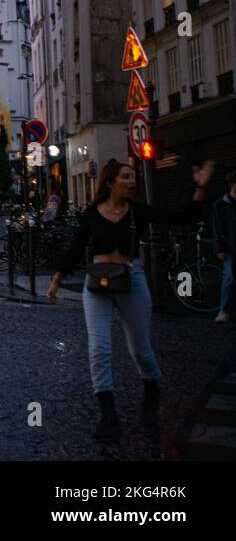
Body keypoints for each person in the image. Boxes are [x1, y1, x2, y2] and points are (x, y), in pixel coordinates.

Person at [47, 158, 215, 439]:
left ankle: (151, 391)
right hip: (98, 282)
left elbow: (183, 218)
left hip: (132, 279)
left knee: (140, 350)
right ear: (111, 181)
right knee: (99, 348)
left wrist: (200, 189)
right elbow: (77, 247)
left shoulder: (139, 212)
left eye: (133, 176)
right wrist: (57, 278)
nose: (132, 180)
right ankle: (108, 415)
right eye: (126, 176)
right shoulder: (91, 213)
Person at [211, 170, 236, 325]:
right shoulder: (221, 204)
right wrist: (219, 248)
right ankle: (224, 310)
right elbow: (217, 227)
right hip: (230, 247)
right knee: (229, 278)